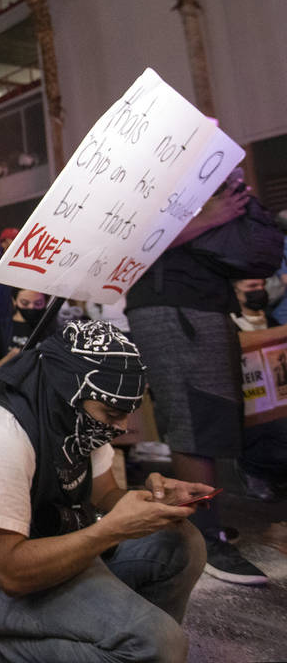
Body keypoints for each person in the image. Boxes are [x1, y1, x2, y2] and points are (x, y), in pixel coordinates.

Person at [0, 320, 207, 662]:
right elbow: (11, 573)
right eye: (112, 414)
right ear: (70, 391)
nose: (121, 427)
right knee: (159, 644)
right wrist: (110, 531)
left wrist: (155, 501)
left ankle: (125, 643)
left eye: (127, 415)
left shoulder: (76, 417)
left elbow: (106, 495)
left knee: (181, 543)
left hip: (60, 542)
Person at [126, 172, 269, 585]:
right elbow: (129, 248)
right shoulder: (135, 181)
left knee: (211, 414)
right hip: (166, 304)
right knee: (192, 416)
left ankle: (205, 521)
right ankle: (201, 537)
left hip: (205, 302)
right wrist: (210, 217)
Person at [229, 278, 287, 501]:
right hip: (247, 401)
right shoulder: (228, 324)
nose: (259, 291)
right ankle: (254, 472)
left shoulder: (270, 321)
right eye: (252, 288)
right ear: (235, 293)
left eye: (262, 286)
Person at [0, 288, 51, 376]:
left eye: (38, 303)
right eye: (25, 303)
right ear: (14, 300)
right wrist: (8, 359)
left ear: (46, 302)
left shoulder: (51, 330)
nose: (31, 307)